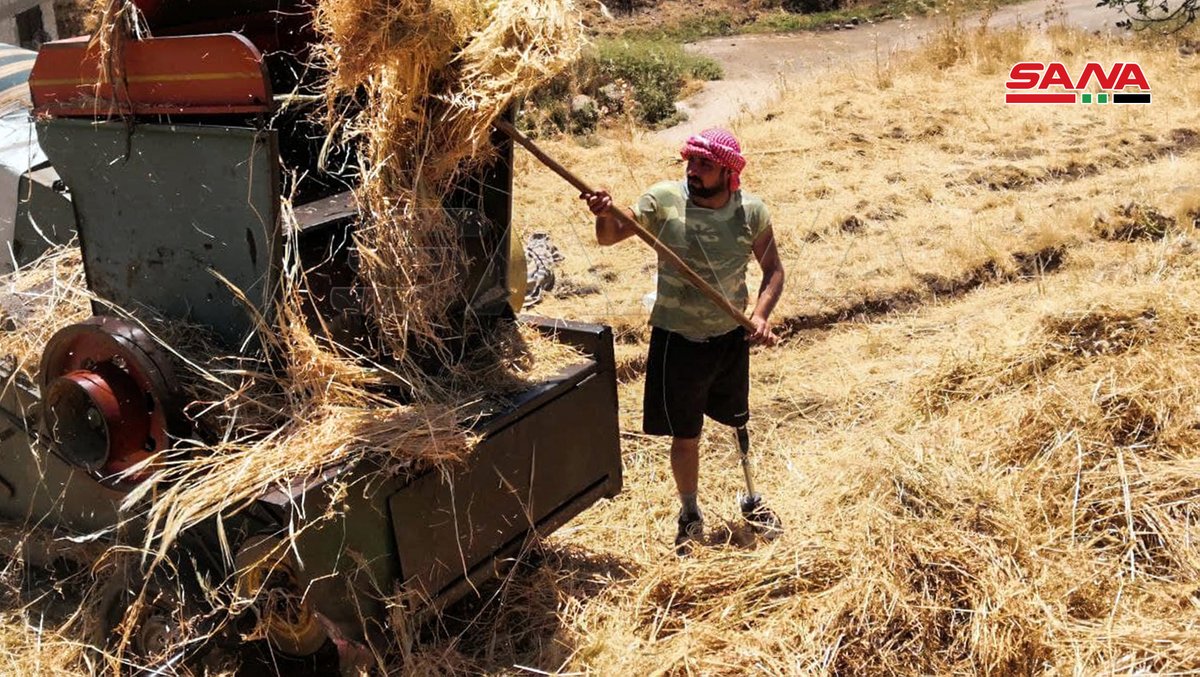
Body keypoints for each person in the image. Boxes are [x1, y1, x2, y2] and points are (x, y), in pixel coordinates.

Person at [580, 128, 785, 554]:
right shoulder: (663, 201)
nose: (693, 171)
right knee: (686, 434)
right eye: (690, 162)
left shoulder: (751, 213)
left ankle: (751, 496)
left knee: (737, 421)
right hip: (678, 339)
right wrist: (603, 211)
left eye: (704, 165)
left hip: (729, 339)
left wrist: (759, 316)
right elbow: (609, 236)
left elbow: (773, 271)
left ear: (729, 172)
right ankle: (689, 511)